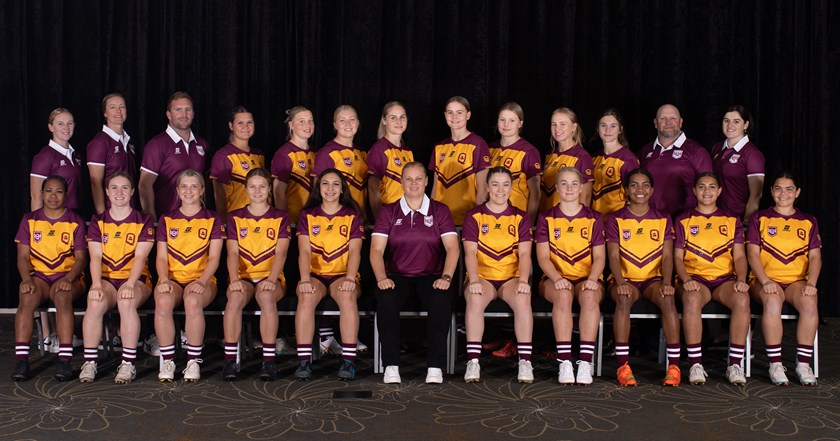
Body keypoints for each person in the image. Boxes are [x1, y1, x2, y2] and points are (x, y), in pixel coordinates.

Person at [371, 162, 459, 384]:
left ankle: (435, 366)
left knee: (441, 300)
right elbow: (376, 250)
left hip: (432, 276)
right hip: (397, 276)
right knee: (386, 298)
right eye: (408, 179)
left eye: (418, 178)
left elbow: (452, 248)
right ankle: (391, 365)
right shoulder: (388, 211)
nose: (413, 183)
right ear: (401, 182)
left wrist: (446, 277)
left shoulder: (440, 210)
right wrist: (382, 278)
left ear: (426, 181)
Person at [605, 168, 681, 386]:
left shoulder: (663, 218)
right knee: (623, 299)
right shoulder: (615, 218)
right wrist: (620, 282)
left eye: (645, 185)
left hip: (652, 280)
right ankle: (623, 365)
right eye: (634, 185)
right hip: (625, 279)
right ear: (626, 190)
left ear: (652, 189)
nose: (640, 189)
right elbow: (612, 255)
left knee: (668, 299)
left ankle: (673, 366)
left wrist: (667, 283)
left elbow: (667, 256)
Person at [674, 173, 750, 386]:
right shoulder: (683, 219)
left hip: (724, 280)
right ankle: (696, 364)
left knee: (742, 299)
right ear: (694, 191)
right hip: (695, 279)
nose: (706, 191)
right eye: (701, 187)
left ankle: (734, 364)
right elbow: (677, 257)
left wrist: (742, 278)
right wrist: (686, 278)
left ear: (719, 191)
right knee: (691, 299)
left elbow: (740, 256)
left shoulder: (731, 219)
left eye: (711, 187)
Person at [79, 173, 155, 384]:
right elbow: (95, 256)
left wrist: (130, 284)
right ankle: (90, 362)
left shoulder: (143, 220)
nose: (119, 193)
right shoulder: (98, 221)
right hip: (107, 279)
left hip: (136, 278)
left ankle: (128, 364)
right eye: (114, 188)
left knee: (126, 300)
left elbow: (140, 257)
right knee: (94, 301)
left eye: (124, 188)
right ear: (107, 191)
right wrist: (95, 285)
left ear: (132, 192)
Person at [748, 172, 821, 386]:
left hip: (796, 281)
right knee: (772, 300)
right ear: (771, 191)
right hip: (764, 280)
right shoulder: (759, 218)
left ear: (797, 193)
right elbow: (752, 254)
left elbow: (815, 257)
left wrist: (811, 283)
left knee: (809, 302)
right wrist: (765, 281)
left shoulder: (808, 221)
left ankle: (803, 364)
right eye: (778, 188)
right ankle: (776, 363)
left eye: (789, 189)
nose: (784, 193)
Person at [462, 167, 534, 383]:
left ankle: (525, 361)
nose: (500, 189)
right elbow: (470, 252)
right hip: (482, 277)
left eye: (505, 185)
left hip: (510, 278)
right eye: (495, 184)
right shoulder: (474, 216)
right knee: (475, 298)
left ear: (512, 188)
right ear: (487, 187)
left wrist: (523, 280)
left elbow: (524, 253)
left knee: (523, 299)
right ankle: (473, 361)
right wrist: (473, 280)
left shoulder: (520, 217)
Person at [152, 170, 225, 382]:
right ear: (177, 190)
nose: (189, 191)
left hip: (202, 279)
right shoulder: (167, 220)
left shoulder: (212, 219)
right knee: (163, 301)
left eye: (194, 186)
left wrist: (202, 281)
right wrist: (164, 279)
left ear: (202, 190)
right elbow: (161, 257)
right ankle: (168, 360)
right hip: (172, 278)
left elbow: (214, 258)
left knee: (192, 302)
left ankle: (193, 361)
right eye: (184, 186)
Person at [12, 176, 87, 381]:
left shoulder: (75, 221)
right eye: (49, 191)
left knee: (62, 297)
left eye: (59, 191)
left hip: (68, 276)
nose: (53, 196)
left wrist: (69, 278)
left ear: (66, 195)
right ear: (42, 194)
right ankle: (21, 361)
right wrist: (26, 279)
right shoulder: (30, 219)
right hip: (40, 277)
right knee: (26, 298)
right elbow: (22, 256)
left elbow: (81, 258)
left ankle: (64, 361)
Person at [536, 167, 605, 385]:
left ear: (581, 188)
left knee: (589, 297)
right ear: (556, 188)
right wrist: (557, 279)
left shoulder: (594, 218)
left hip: (587, 276)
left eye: (574, 183)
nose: (569, 188)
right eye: (563, 183)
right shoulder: (546, 218)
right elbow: (543, 259)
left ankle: (585, 362)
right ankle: (564, 361)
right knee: (564, 295)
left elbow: (600, 257)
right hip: (554, 278)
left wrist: (593, 280)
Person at [294, 169, 365, 380]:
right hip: (315, 275)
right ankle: (304, 361)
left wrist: (351, 279)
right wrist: (305, 279)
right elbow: (304, 251)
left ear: (342, 189)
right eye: (325, 184)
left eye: (335, 184)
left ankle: (348, 360)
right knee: (305, 296)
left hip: (343, 273)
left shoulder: (351, 215)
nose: (330, 188)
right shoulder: (308, 215)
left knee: (347, 296)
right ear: (318, 188)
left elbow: (355, 251)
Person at [222, 168, 291, 381]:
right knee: (234, 298)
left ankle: (268, 361)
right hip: (243, 276)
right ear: (246, 189)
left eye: (262, 186)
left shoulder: (281, 217)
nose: (257, 191)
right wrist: (234, 279)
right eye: (252, 186)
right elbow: (232, 252)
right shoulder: (235, 218)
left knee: (267, 297)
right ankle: (230, 361)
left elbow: (281, 252)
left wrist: (271, 279)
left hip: (271, 277)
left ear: (269, 188)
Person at [139, 91, 209, 220]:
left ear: (193, 114)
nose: (184, 115)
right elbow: (144, 185)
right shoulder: (157, 144)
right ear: (169, 114)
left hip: (197, 221)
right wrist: (152, 220)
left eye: (188, 110)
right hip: (167, 221)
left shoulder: (202, 144)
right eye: (178, 110)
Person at [637, 104, 712, 217]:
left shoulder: (696, 151)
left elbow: (710, 190)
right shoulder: (645, 151)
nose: (668, 122)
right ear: (655, 123)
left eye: (673, 118)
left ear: (681, 122)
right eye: (663, 118)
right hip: (650, 222)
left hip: (685, 222)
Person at [429, 96, 491, 225]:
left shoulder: (478, 144)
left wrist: (476, 220)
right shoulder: (439, 147)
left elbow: (483, 188)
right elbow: (435, 187)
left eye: (459, 112)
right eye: (450, 112)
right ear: (445, 115)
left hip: (466, 220)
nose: (454, 116)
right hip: (441, 220)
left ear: (468, 115)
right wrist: (431, 215)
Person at [710, 105, 765, 224]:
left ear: (745, 125)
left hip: (736, 220)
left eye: (736, 121)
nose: (730, 125)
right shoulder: (717, 148)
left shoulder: (752, 154)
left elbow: (756, 194)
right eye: (726, 121)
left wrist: (746, 223)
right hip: (714, 218)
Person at [489, 102, 541, 223]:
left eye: (512, 120)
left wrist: (528, 225)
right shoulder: (490, 149)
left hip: (516, 220)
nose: (506, 124)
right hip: (491, 219)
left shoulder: (528, 151)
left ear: (520, 123)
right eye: (502, 119)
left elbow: (536, 193)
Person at [312, 104, 369, 215]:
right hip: (339, 217)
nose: (348, 124)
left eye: (352, 120)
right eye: (342, 120)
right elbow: (318, 191)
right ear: (335, 125)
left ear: (357, 123)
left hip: (361, 215)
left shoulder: (362, 153)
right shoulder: (327, 153)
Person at [210, 106, 265, 218]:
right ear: (231, 126)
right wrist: (224, 224)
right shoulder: (223, 155)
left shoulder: (259, 155)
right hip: (236, 222)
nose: (246, 127)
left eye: (250, 122)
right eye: (240, 123)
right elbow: (219, 195)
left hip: (260, 220)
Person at [87, 93, 138, 214]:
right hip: (111, 212)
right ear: (105, 113)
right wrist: (102, 215)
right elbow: (95, 182)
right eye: (112, 107)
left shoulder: (129, 141)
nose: (118, 111)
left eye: (122, 106)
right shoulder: (99, 143)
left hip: (131, 210)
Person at [539, 107, 594, 211]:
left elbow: (585, 198)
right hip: (546, 219)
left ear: (573, 127)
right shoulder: (549, 155)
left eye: (562, 124)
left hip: (567, 220)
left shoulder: (582, 156)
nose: (557, 128)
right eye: (554, 124)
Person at [368, 101, 414, 219]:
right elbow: (373, 189)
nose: (398, 122)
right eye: (393, 118)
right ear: (384, 120)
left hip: (408, 214)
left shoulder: (408, 152)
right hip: (390, 215)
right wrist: (381, 219)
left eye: (402, 117)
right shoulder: (379, 149)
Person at [30, 108, 83, 211]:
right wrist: (38, 224)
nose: (66, 127)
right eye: (60, 124)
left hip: (76, 216)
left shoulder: (76, 155)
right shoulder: (45, 157)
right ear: (51, 127)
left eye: (70, 123)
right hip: (57, 218)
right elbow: (36, 196)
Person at [270, 106, 316, 224]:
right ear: (291, 125)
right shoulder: (284, 154)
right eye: (302, 121)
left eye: (310, 120)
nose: (308, 125)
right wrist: (286, 223)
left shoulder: (316, 153)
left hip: (314, 220)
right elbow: (278, 193)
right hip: (294, 220)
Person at [591, 109, 639, 215]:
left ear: (620, 129)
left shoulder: (627, 159)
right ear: (598, 128)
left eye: (613, 126)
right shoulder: (594, 158)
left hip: (617, 221)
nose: (608, 130)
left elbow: (635, 196)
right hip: (596, 221)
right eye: (603, 125)